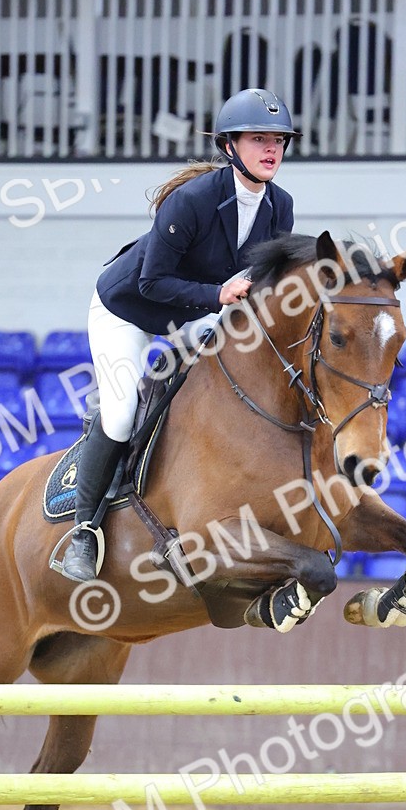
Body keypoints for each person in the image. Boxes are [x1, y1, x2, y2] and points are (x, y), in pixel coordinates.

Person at [60, 87, 298, 583]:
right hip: (129, 310)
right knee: (121, 413)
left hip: (195, 310)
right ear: (230, 146)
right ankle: (84, 530)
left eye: (278, 140)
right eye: (259, 139)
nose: (271, 148)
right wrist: (218, 295)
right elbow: (152, 283)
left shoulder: (280, 206)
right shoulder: (191, 201)